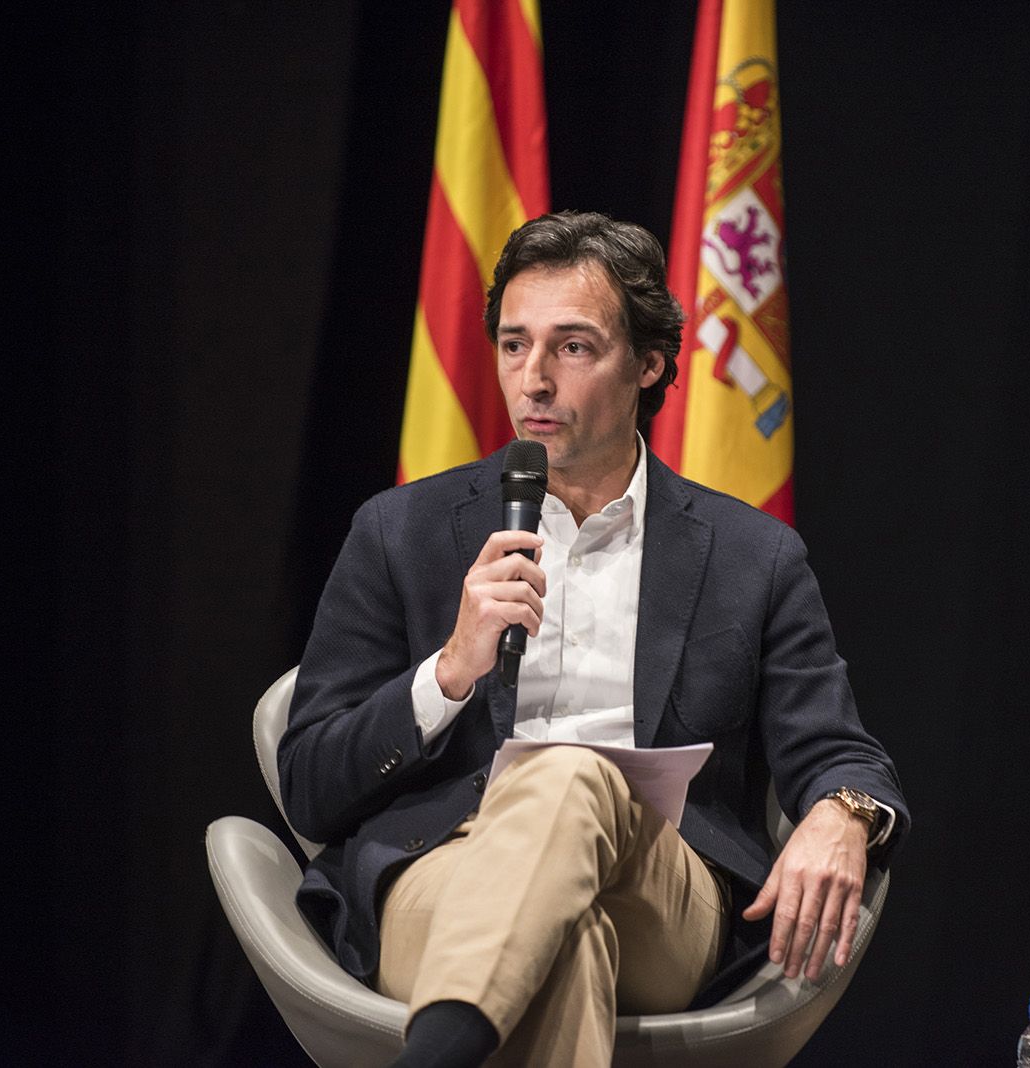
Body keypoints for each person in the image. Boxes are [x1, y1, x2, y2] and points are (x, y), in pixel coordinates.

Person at [279, 210, 907, 1066]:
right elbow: (311, 784)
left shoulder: (750, 556)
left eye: (572, 347)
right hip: (443, 876)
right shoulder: (402, 531)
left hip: (664, 891)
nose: (532, 379)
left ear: (647, 364)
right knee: (568, 944)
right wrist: (450, 672)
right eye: (513, 345)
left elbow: (841, 751)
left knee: (571, 775)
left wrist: (844, 814)